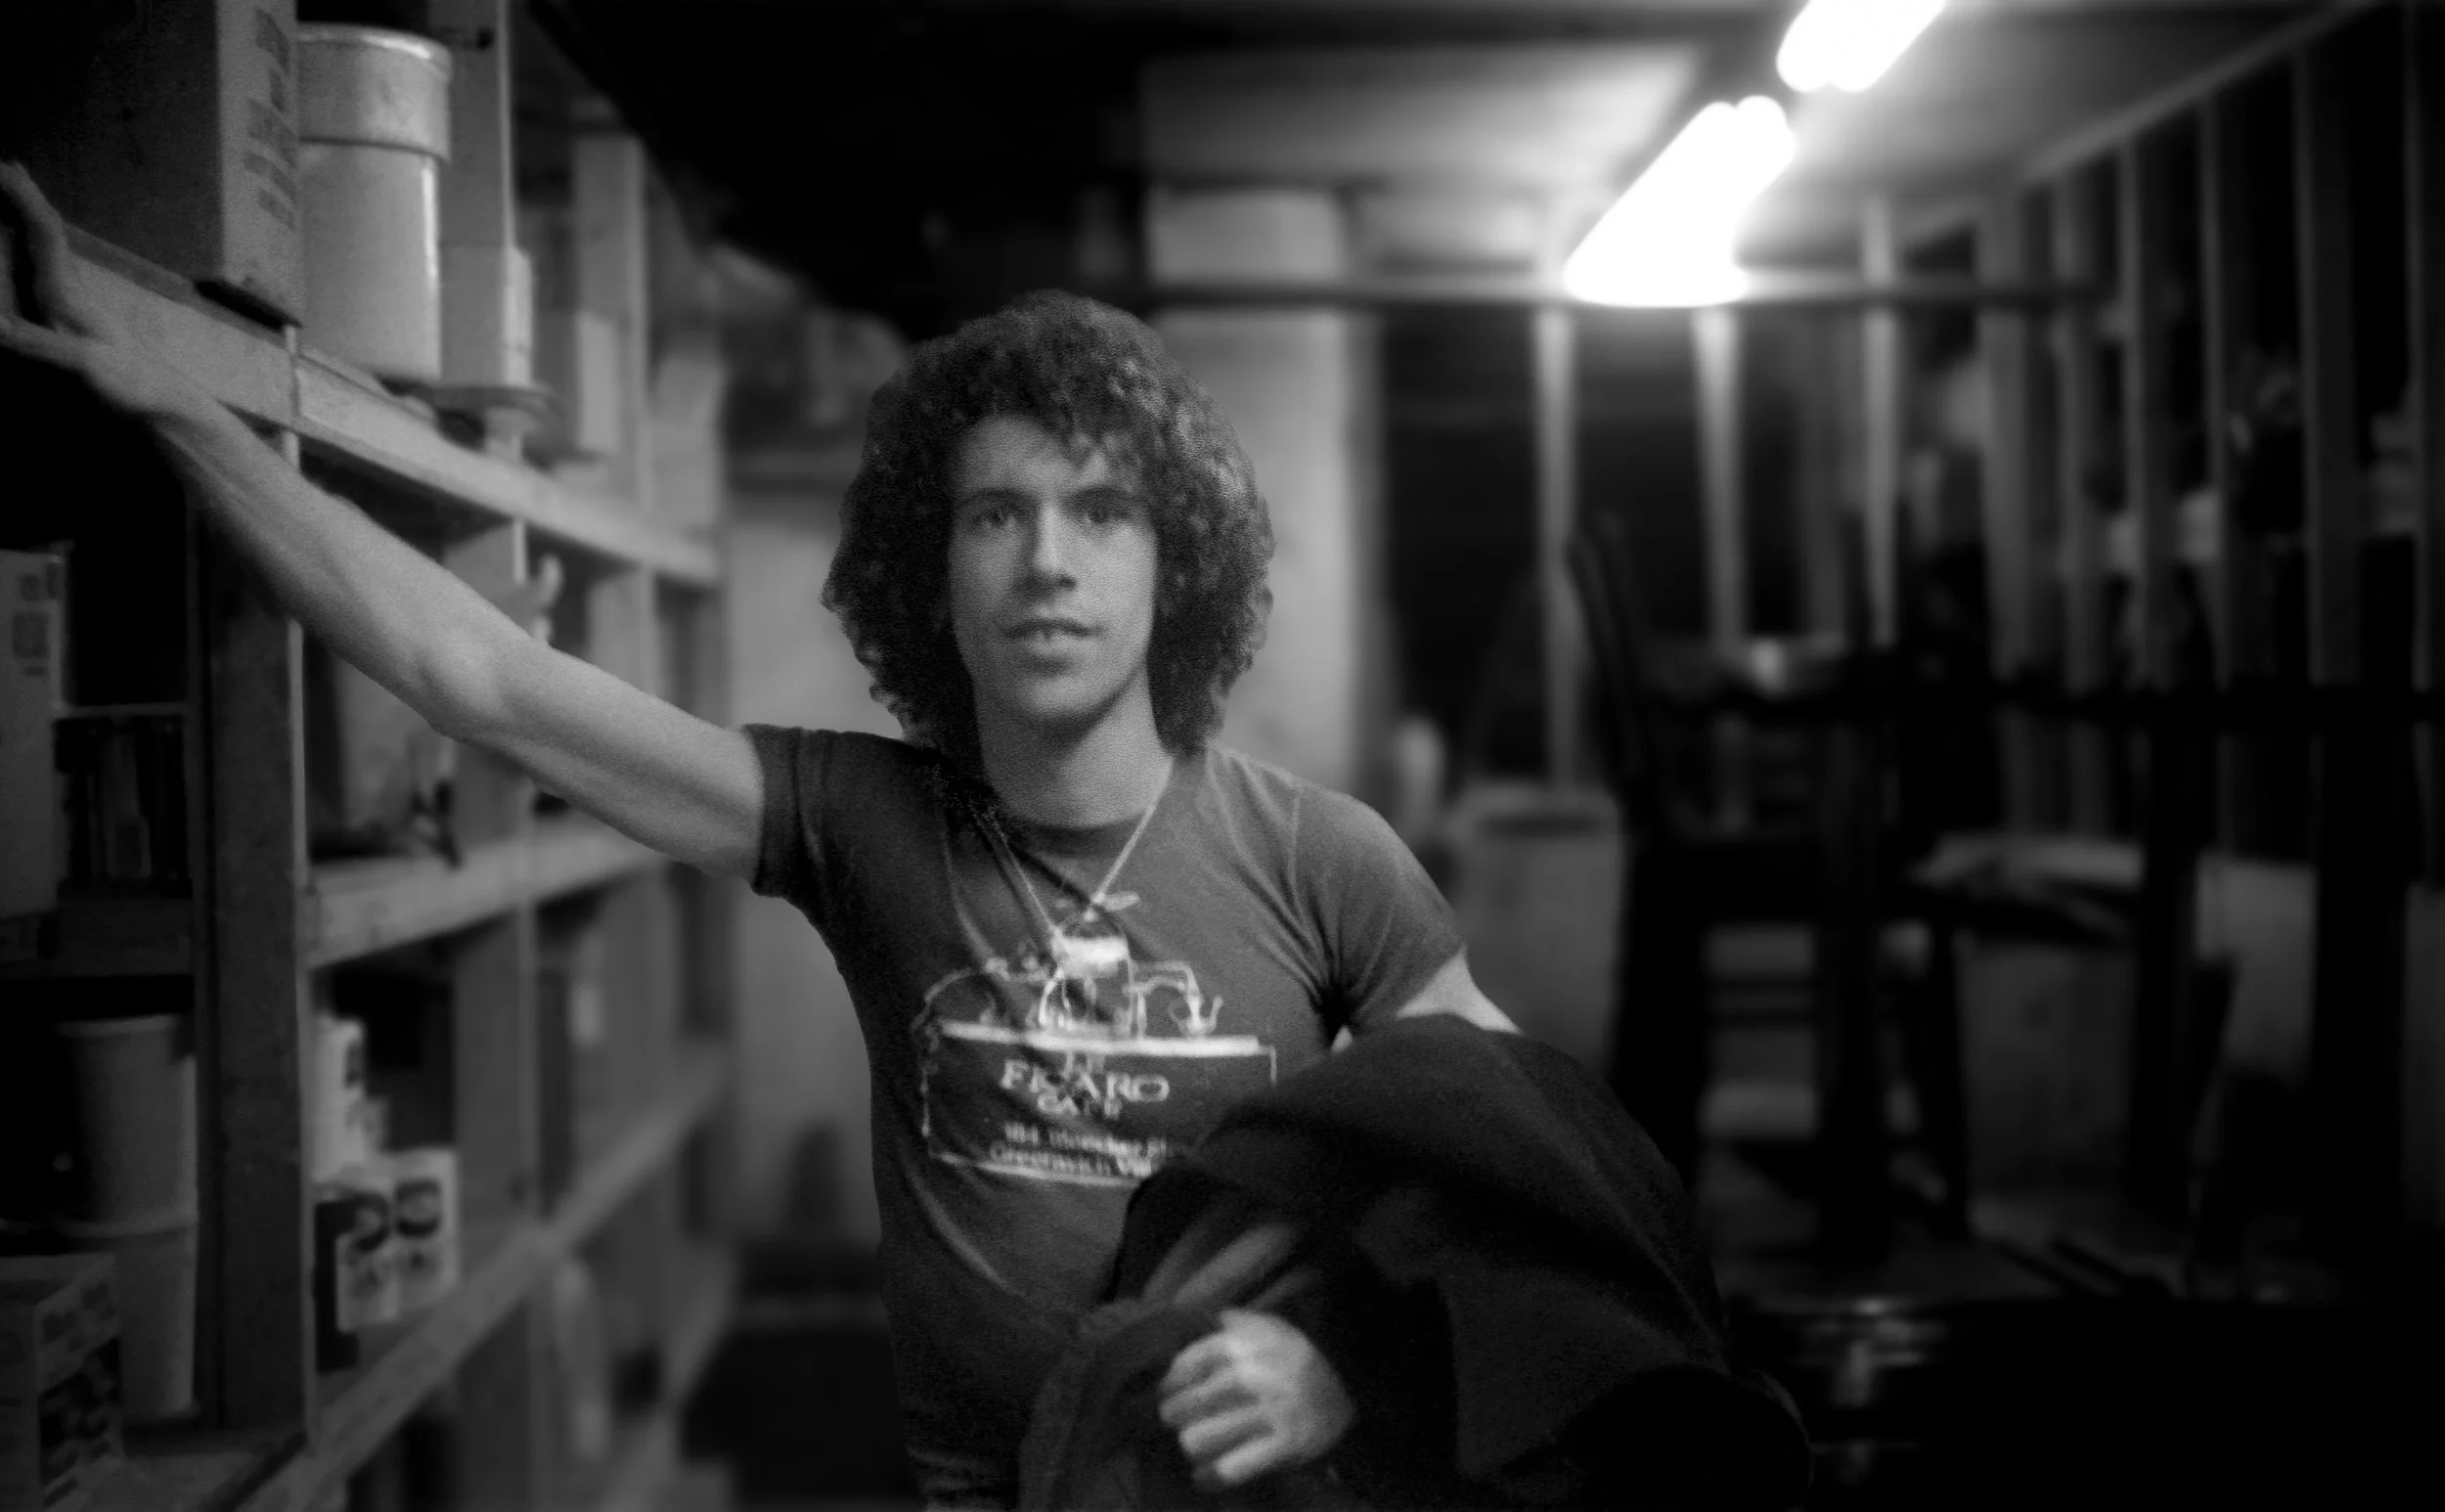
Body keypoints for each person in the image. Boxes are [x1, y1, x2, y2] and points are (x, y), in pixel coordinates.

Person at [0, 163, 1520, 1509]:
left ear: (1172, 566)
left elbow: (1532, 1187)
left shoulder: (1324, 858)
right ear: (931, 576)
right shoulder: (858, 822)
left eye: (1102, 511)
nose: (1047, 561)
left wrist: (1347, 1357)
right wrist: (173, 401)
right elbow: (483, 677)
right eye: (995, 515)